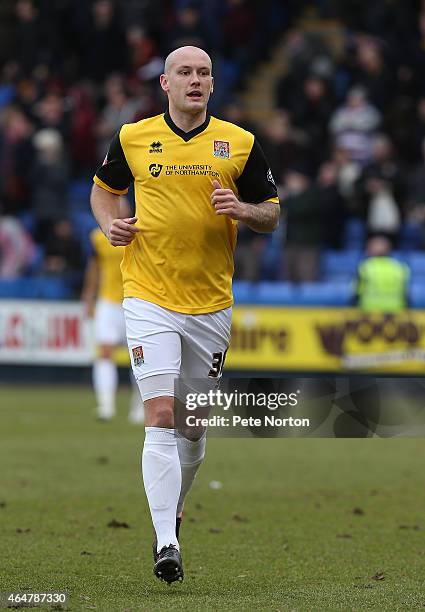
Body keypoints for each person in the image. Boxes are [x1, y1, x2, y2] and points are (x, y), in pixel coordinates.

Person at [90, 45, 279, 584]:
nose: (194, 80)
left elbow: (272, 212)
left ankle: (174, 508)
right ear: (165, 84)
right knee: (161, 415)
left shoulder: (239, 143)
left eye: (203, 73)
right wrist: (109, 226)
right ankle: (166, 542)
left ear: (212, 86)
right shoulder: (132, 137)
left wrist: (243, 210)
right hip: (147, 293)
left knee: (194, 426)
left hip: (211, 304)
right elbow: (103, 194)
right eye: (184, 73)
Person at [81, 200, 144, 423]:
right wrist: (88, 297)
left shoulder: (140, 230)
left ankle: (139, 409)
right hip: (108, 302)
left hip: (136, 301)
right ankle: (105, 406)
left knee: (141, 359)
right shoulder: (98, 237)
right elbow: (94, 268)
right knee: (104, 352)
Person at [354, 236, 410, 312]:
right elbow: (406, 295)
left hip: (369, 313)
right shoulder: (400, 267)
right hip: (395, 313)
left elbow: (356, 293)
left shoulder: (365, 267)